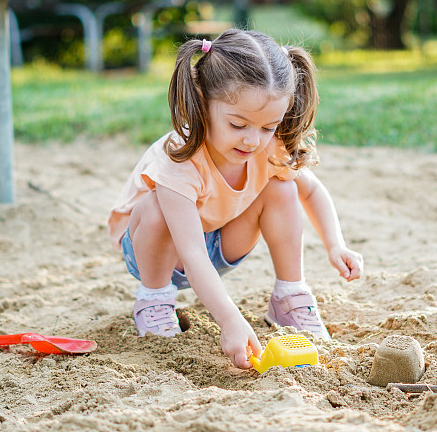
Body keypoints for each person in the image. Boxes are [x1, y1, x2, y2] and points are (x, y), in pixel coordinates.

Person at [108, 29, 363, 369]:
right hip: (159, 253)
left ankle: (289, 295)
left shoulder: (267, 148)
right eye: (238, 125)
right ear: (202, 101)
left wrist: (336, 245)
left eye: (268, 127)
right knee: (156, 207)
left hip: (218, 244)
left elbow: (312, 191)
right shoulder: (180, 159)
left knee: (282, 187)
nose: (252, 141)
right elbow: (192, 253)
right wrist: (229, 320)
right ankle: (153, 300)